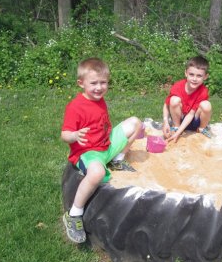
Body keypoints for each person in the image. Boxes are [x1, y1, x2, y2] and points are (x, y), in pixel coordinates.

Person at [60, 57, 142, 243]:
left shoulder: (100, 100)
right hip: (88, 152)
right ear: (81, 83)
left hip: (105, 145)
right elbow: (64, 134)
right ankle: (74, 214)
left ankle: (117, 159)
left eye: (103, 82)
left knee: (136, 122)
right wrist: (74, 136)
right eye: (93, 83)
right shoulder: (75, 106)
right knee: (96, 173)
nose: (99, 87)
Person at [162, 56, 213, 143]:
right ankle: (176, 126)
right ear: (186, 73)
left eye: (199, 76)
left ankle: (201, 129)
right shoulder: (178, 86)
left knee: (206, 105)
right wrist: (165, 122)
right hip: (180, 117)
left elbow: (191, 114)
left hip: (194, 120)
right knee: (174, 100)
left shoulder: (203, 91)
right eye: (191, 74)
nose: (194, 79)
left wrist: (178, 133)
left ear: (205, 77)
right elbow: (166, 105)